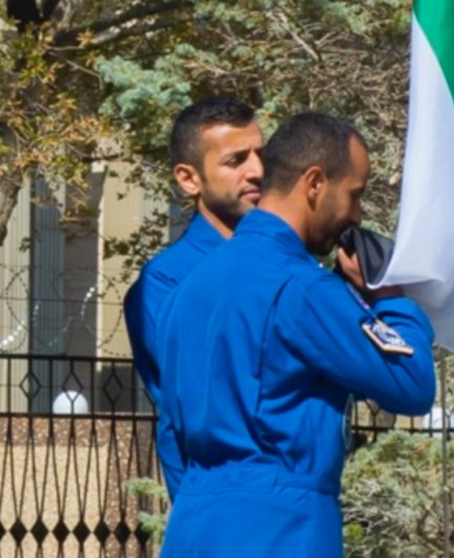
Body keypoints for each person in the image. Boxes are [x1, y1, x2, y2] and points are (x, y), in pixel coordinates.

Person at [157, 112, 436, 557]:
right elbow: (413, 383)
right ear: (314, 183)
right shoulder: (303, 288)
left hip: (192, 527)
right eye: (355, 194)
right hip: (282, 529)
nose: (357, 215)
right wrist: (392, 300)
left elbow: (170, 433)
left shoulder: (186, 287)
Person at [123, 97, 263, 502]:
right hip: (224, 513)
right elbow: (209, 410)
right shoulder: (167, 284)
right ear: (189, 179)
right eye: (236, 160)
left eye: (260, 154)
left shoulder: (289, 264)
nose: (257, 171)